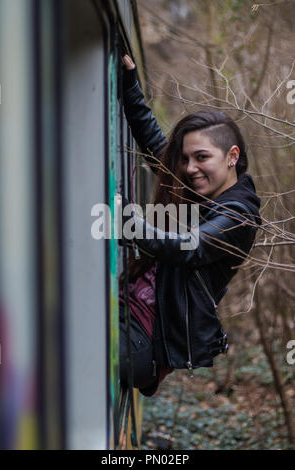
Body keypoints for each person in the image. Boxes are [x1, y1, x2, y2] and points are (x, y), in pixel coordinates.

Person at [118, 54, 261, 397]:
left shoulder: (239, 214)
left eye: (202, 157)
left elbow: (191, 245)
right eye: (186, 158)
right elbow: (157, 150)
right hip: (129, 318)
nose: (190, 167)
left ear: (232, 156)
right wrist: (130, 84)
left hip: (140, 342)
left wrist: (128, 222)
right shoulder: (204, 193)